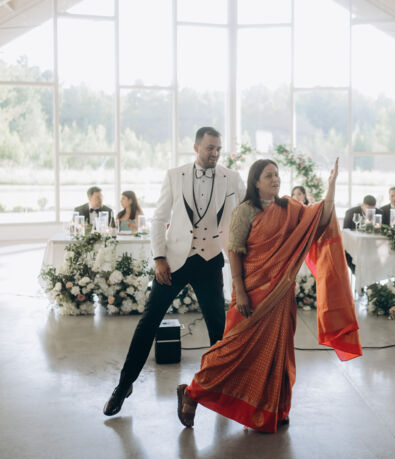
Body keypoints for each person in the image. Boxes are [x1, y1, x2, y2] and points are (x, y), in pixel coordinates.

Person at [176, 157, 362, 433]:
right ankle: (192, 392)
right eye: (268, 175)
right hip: (251, 293)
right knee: (233, 350)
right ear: (255, 182)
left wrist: (331, 186)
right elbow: (235, 251)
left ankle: (274, 408)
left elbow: (321, 219)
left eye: (276, 174)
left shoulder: (290, 208)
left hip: (281, 295)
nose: (275, 179)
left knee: (278, 354)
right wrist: (240, 290)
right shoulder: (245, 211)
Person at [103, 126, 246, 416]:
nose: (215, 153)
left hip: (210, 260)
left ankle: (221, 388)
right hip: (175, 261)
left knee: (218, 329)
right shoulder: (174, 175)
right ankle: (124, 384)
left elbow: (249, 211)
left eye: (218, 148)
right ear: (196, 147)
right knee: (149, 322)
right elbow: (158, 220)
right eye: (210, 148)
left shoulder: (231, 178)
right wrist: (159, 258)